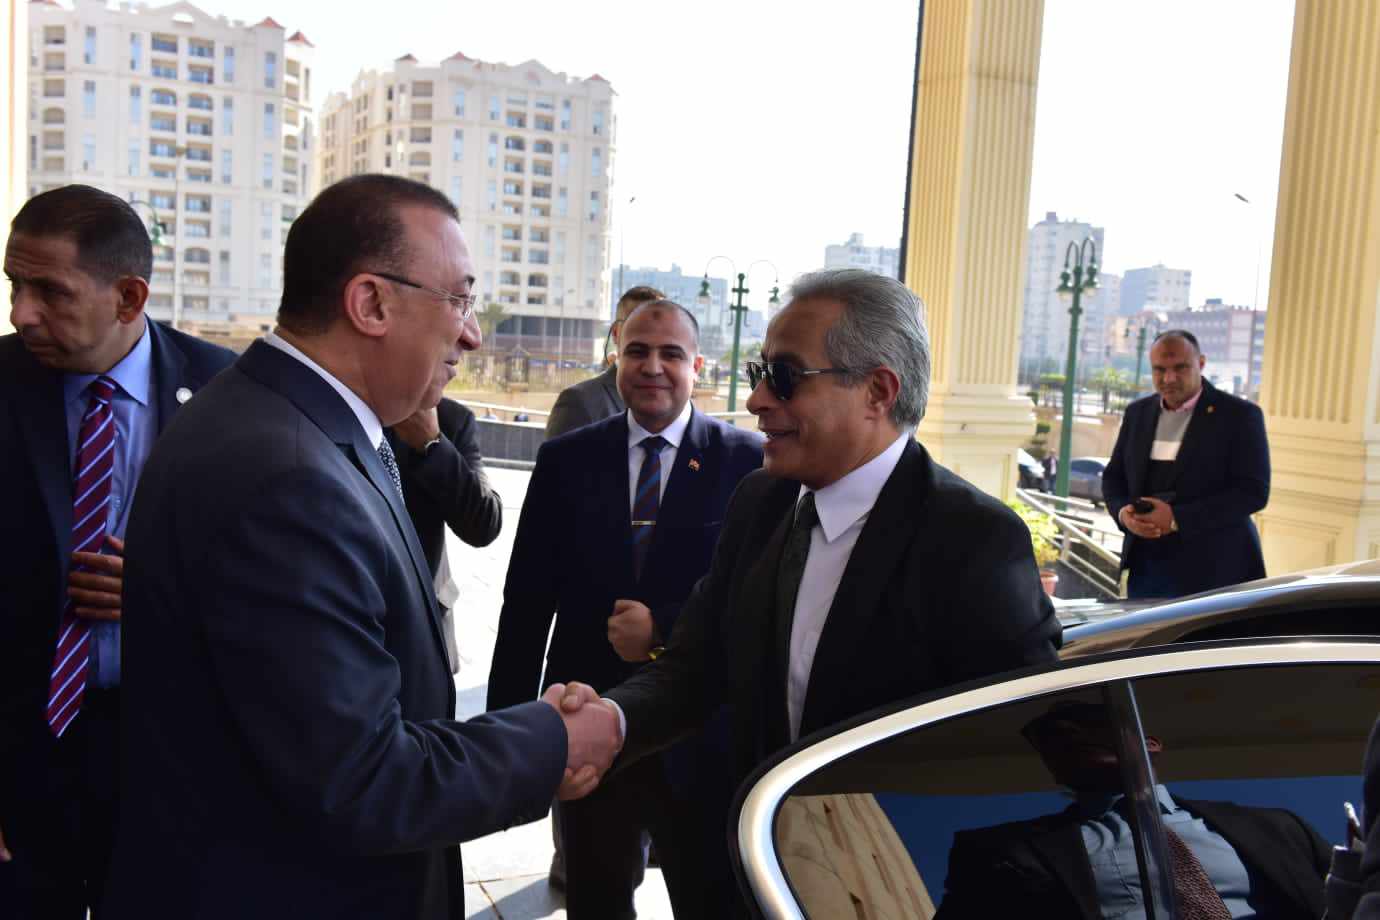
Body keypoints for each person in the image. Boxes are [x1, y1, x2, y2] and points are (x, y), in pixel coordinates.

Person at [102, 175, 621, 920]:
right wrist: (551, 741)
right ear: (371, 303)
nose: (471, 335)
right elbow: (361, 778)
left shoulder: (295, 423)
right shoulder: (284, 476)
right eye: (459, 300)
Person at [576, 269, 1061, 883]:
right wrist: (609, 722)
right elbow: (696, 666)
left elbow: (1019, 757)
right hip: (745, 872)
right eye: (759, 372)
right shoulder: (761, 500)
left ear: (877, 391)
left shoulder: (974, 541)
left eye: (784, 376)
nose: (757, 399)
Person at [0, 185, 236, 919]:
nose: (21, 312)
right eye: (13, 284)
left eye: (49, 291)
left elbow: (275, 581)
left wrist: (165, 587)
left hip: (170, 762)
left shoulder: (228, 394)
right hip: (21, 757)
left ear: (129, 297)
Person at [488, 299, 763, 918]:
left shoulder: (748, 463)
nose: (652, 366)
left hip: (702, 741)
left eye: (671, 354)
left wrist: (662, 629)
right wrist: (509, 736)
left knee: (711, 901)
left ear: (698, 366)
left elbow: (753, 598)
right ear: (616, 358)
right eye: (637, 351)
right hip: (587, 727)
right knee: (595, 901)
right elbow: (526, 600)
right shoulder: (566, 459)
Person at [937, 701, 1331, 919]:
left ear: (1150, 742)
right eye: (1049, 737)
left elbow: (1354, 900)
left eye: (1089, 721)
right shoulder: (1005, 855)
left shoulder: (1278, 828)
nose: (1068, 734)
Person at [1102, 330, 1270, 599]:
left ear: (1201, 364)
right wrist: (1124, 514)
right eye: (1160, 369)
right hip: (1147, 570)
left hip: (1218, 572)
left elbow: (1253, 492)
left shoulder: (1240, 415)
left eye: (1180, 368)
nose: (1169, 378)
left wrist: (1176, 519)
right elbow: (1114, 478)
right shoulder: (1137, 413)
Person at [387, 396, 502, 673]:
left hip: (424, 630)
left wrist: (432, 444)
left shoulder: (450, 419)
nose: (450, 376)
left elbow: (484, 524)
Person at [544, 285, 664, 439]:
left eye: (662, 327)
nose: (652, 334)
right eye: (639, 325)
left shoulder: (676, 403)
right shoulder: (579, 402)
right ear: (616, 333)